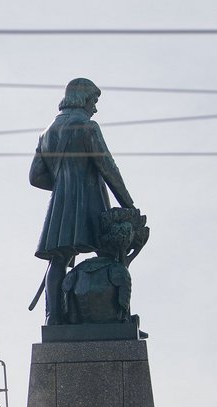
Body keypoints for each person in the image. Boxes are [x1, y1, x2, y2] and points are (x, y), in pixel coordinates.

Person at [30, 78, 136, 325]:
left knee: (58, 260)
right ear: (83, 99)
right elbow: (107, 166)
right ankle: (119, 317)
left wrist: (63, 185)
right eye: (94, 101)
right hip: (91, 201)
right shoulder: (88, 126)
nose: (95, 108)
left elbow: (35, 177)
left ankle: (53, 318)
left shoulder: (46, 133)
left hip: (60, 207)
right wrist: (128, 204)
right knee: (113, 253)